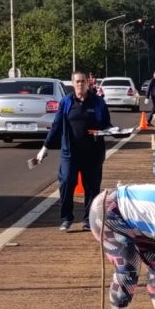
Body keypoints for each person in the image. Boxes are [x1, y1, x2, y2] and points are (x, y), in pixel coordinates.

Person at [37, 71, 112, 232]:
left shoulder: (98, 103)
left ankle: (88, 220)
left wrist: (114, 131)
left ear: (88, 83)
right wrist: (45, 147)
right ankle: (66, 218)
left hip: (93, 152)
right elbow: (56, 125)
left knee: (91, 187)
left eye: (83, 81)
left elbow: (107, 124)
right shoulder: (66, 102)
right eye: (77, 81)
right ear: (73, 83)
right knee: (66, 182)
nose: (80, 84)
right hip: (70, 152)